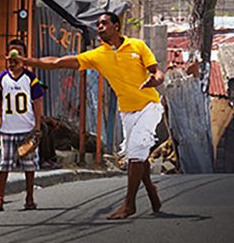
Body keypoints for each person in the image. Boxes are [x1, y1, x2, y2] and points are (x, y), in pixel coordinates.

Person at [19, 12, 164, 220]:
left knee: (136, 151)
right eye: (98, 24)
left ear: (116, 25)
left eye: (104, 23)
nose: (100, 26)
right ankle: (152, 191)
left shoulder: (137, 45)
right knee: (138, 153)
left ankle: (129, 205)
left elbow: (157, 72)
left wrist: (154, 81)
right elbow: (57, 62)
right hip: (127, 112)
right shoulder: (97, 55)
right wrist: (28, 61)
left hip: (149, 106)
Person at [0, 39, 44, 212]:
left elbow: (37, 103)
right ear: (6, 57)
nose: (14, 58)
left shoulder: (31, 79)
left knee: (29, 165)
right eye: (12, 53)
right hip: (7, 130)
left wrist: (37, 126)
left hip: (26, 129)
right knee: (4, 165)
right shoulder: (1, 78)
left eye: (19, 53)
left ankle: (29, 198)